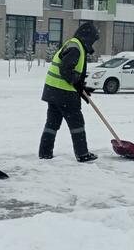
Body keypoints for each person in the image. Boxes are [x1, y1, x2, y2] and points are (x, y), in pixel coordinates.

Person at [39, 22, 100, 162]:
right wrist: (77, 84)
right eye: (93, 40)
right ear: (88, 37)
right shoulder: (76, 48)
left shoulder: (73, 44)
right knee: (77, 123)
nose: (93, 44)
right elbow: (66, 70)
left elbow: (71, 72)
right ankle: (82, 154)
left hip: (52, 91)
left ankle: (44, 153)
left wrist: (81, 87)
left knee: (52, 124)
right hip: (64, 93)